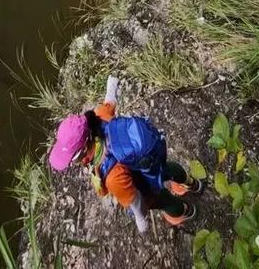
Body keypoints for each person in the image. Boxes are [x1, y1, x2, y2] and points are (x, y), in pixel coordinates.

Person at [49, 76, 203, 232]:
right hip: (151, 159)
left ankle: (184, 212)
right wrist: (111, 87)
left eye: (72, 159)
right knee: (168, 169)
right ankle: (192, 183)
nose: (71, 163)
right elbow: (109, 102)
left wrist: (140, 218)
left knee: (164, 200)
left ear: (83, 151)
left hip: (142, 183)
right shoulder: (99, 117)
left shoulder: (113, 177)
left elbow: (135, 200)